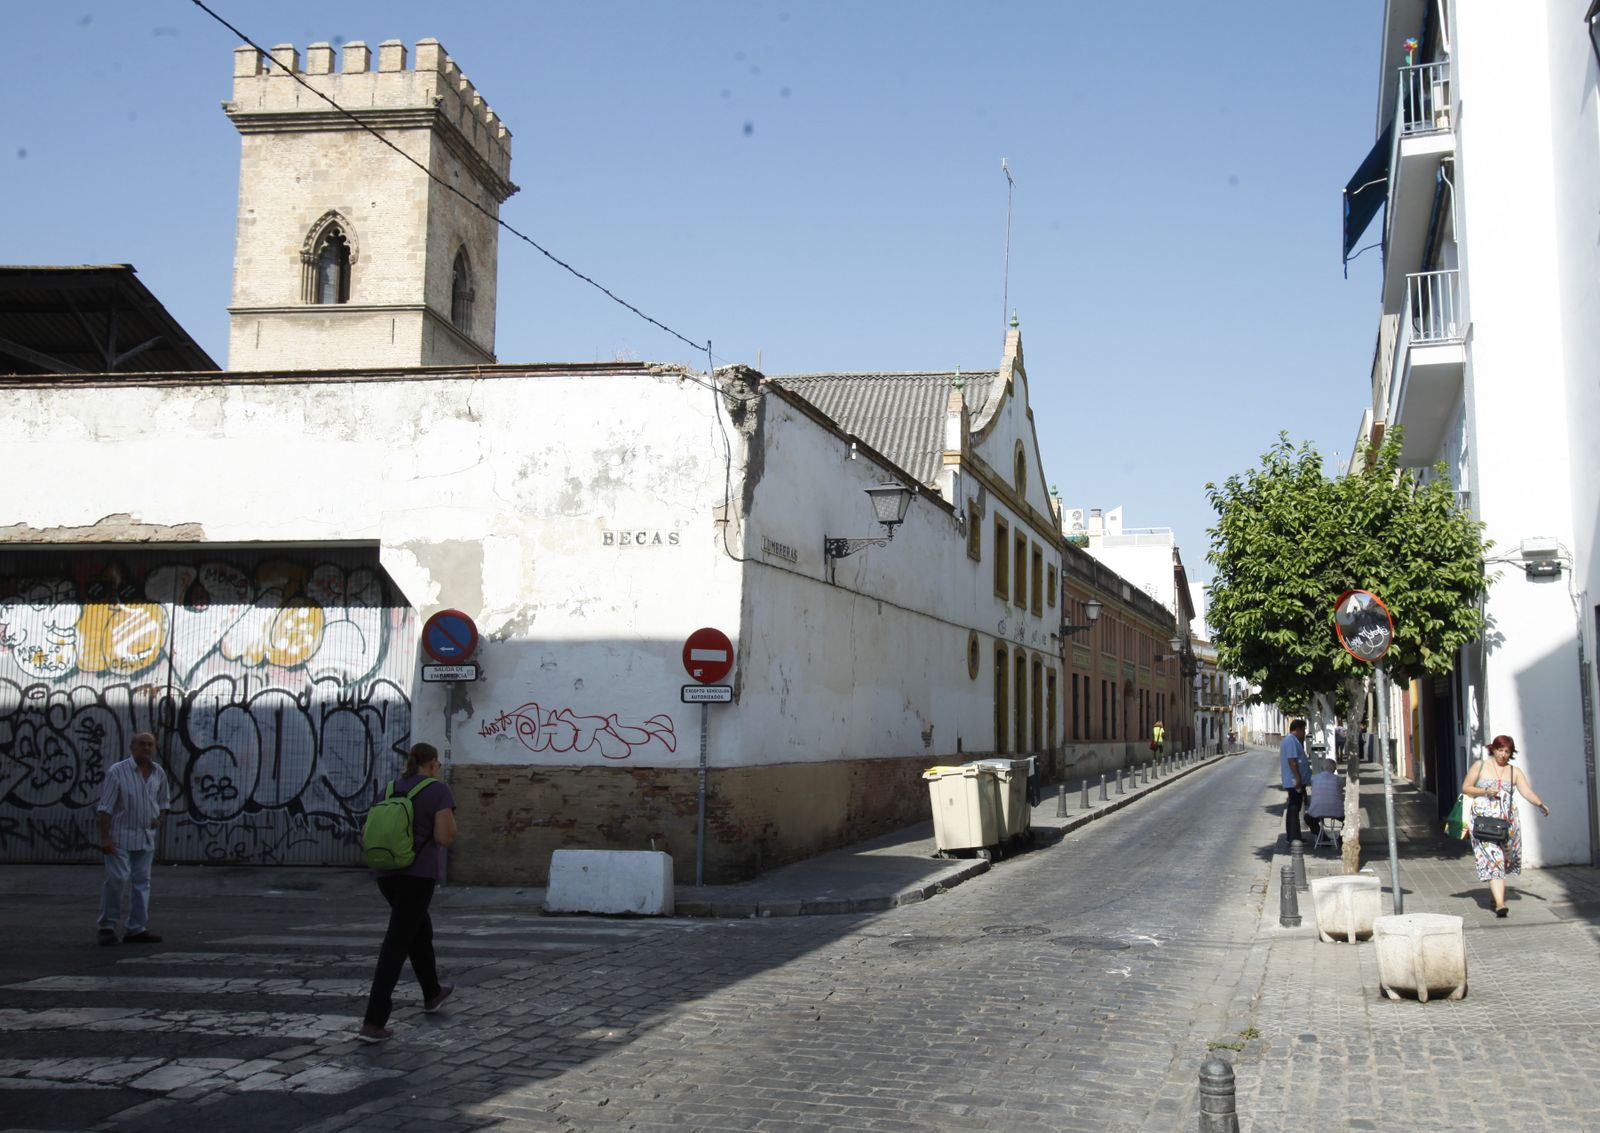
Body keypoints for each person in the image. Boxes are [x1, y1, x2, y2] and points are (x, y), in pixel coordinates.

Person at [359, 742, 458, 1043]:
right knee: (397, 943)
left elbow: (367, 832)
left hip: (386, 874)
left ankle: (432, 993)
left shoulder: (388, 789)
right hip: (417, 875)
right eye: (437, 764)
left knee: (419, 929)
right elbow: (444, 837)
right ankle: (373, 1022)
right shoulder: (438, 790)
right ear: (431, 763)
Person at [1462, 734, 1549, 917]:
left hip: (1507, 823)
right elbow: (1466, 787)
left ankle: (1496, 894)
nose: (1503, 754)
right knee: (1494, 860)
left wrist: (1540, 804)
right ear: (1492, 749)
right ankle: (1501, 904)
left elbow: (1526, 791)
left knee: (1504, 860)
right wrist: (1485, 791)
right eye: (1500, 750)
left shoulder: (1514, 771)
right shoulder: (1480, 766)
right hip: (1483, 822)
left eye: (1507, 751)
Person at [96, 731, 171, 945]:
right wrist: (105, 838)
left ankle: (136, 928)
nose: (146, 748)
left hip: (145, 836)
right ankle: (107, 926)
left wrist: (160, 819)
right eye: (141, 744)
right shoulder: (118, 771)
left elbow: (164, 801)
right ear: (132, 747)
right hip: (120, 835)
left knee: (142, 882)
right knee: (117, 879)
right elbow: (105, 807)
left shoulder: (158, 773)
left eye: (149, 745)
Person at [1278, 720, 1311, 847]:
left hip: (1294, 781)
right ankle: (1293, 837)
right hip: (1294, 781)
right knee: (1293, 808)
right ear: (1297, 729)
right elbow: (1292, 761)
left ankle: (1294, 836)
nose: (1304, 733)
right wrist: (1298, 778)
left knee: (1294, 807)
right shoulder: (1291, 741)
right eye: (1303, 730)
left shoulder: (1291, 740)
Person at [1306, 756, 1343, 843]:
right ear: (1334, 769)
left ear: (1322, 767)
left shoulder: (1314, 778)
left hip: (1316, 811)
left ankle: (1321, 836)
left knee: (1307, 818)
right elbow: (1341, 788)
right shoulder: (1338, 779)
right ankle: (1341, 839)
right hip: (1336, 811)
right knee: (1348, 820)